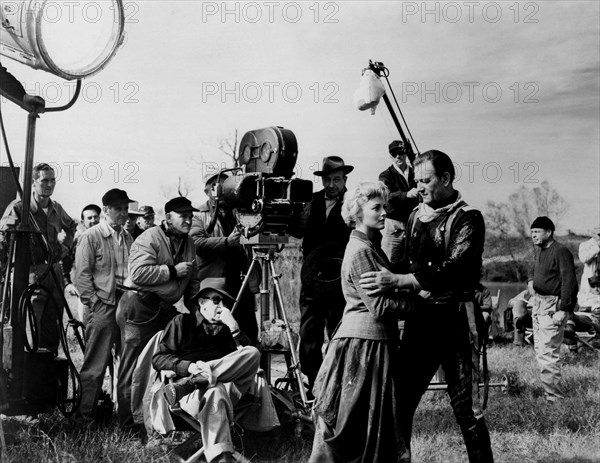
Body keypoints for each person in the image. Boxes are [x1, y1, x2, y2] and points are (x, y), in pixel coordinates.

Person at [359, 150, 493, 462]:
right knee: (401, 401)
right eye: (416, 180)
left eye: (426, 180)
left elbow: (455, 268)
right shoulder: (414, 216)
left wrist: (400, 281)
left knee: (466, 410)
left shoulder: (469, 217)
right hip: (422, 323)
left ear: (446, 179)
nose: (419, 186)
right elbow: (402, 262)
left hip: (458, 323)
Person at [309, 181, 404, 463]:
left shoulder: (368, 246)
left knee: (359, 422)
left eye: (384, 206)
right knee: (355, 425)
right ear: (358, 213)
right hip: (365, 344)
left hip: (369, 341)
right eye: (376, 208)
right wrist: (415, 300)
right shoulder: (361, 250)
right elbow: (379, 306)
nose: (384, 212)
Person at [116, 196, 201, 436]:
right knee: (132, 368)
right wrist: (173, 271)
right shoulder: (149, 237)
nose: (188, 219)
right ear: (168, 218)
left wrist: (197, 313)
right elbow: (139, 273)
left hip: (165, 310)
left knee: (168, 363)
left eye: (190, 215)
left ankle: (162, 421)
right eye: (183, 215)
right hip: (140, 308)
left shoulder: (189, 243)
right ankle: (127, 426)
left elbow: (193, 280)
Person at [153, 278, 261, 463]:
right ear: (202, 302)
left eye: (225, 303)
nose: (222, 307)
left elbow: (250, 361)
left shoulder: (228, 329)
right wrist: (189, 367)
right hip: (190, 394)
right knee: (214, 391)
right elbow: (159, 358)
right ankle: (222, 457)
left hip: (228, 390)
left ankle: (201, 377)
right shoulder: (182, 322)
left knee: (252, 352)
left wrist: (234, 328)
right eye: (217, 300)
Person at [0, 162, 78, 353]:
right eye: (44, 180)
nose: (49, 184)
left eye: (53, 180)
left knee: (53, 329)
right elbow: (3, 239)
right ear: (33, 183)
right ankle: (28, 374)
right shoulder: (19, 208)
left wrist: (65, 248)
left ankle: (47, 375)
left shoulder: (56, 208)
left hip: (54, 273)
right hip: (29, 274)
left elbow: (72, 226)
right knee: (30, 332)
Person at [73, 189, 134, 424]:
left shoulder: (127, 237)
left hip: (125, 304)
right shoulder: (91, 236)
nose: (124, 214)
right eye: (118, 209)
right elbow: (82, 277)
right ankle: (84, 418)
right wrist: (96, 304)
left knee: (126, 363)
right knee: (95, 365)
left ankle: (123, 418)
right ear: (106, 211)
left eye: (126, 209)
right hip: (103, 305)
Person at [297, 156, 353, 392]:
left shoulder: (354, 202)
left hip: (341, 278)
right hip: (312, 276)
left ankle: (339, 384)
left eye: (337, 180)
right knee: (309, 332)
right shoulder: (311, 201)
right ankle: (313, 383)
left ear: (345, 179)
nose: (331, 185)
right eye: (328, 179)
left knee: (339, 331)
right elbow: (296, 229)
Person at [190, 172, 259, 343]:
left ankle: (250, 363)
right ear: (208, 191)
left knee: (248, 329)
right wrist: (226, 242)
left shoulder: (239, 212)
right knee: (220, 331)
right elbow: (196, 243)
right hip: (216, 283)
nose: (221, 192)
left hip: (241, 282)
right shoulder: (199, 215)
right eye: (217, 188)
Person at [528, 216, 578, 401]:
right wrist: (531, 281)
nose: (533, 235)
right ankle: (550, 393)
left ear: (549, 232)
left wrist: (564, 309)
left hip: (552, 307)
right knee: (541, 351)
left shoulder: (561, 251)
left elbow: (569, 282)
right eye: (532, 232)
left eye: (537, 232)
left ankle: (555, 399)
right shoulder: (540, 250)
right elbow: (531, 268)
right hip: (538, 304)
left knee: (548, 353)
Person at [378, 140, 419, 269]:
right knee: (388, 260)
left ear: (406, 154)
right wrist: (407, 194)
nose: (398, 157)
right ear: (390, 156)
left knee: (412, 260)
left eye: (401, 153)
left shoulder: (416, 172)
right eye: (394, 154)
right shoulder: (385, 175)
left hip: (413, 223)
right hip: (393, 224)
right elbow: (387, 196)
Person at [577, 227, 600, 312]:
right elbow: (584, 258)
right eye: (599, 234)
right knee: (587, 305)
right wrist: (597, 248)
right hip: (590, 282)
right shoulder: (585, 245)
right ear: (593, 234)